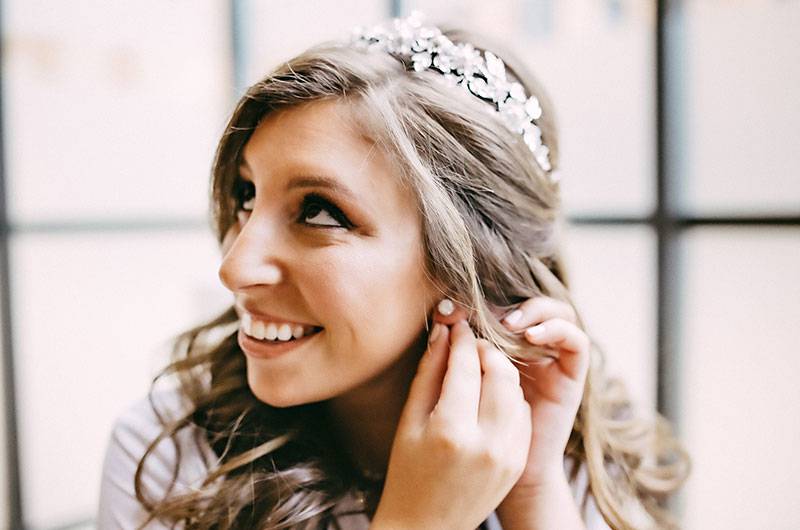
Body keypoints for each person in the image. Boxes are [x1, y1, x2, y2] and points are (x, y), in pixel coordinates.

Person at [97, 12, 689, 530]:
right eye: (246, 195)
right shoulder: (169, 458)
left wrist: (533, 488)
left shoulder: (573, 445)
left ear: (469, 263)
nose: (235, 266)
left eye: (318, 211)